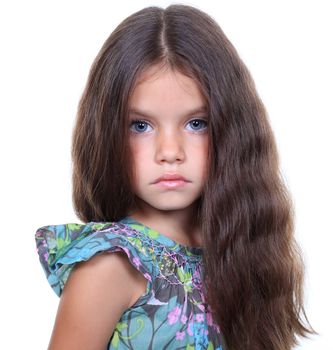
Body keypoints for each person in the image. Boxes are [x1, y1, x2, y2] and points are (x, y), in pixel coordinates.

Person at [35, 4, 316, 350]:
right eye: (140, 125)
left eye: (196, 123)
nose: (170, 151)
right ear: (107, 132)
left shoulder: (238, 250)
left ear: (231, 130)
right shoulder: (110, 267)